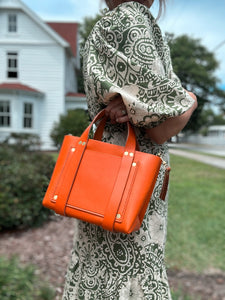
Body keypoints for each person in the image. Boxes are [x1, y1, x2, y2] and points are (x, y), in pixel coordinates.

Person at [62, 1, 197, 299]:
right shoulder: (133, 19)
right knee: (131, 267)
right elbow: (162, 126)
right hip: (132, 181)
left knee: (96, 265)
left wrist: (149, 103)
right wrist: (191, 97)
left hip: (102, 178)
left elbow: (148, 106)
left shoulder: (101, 27)